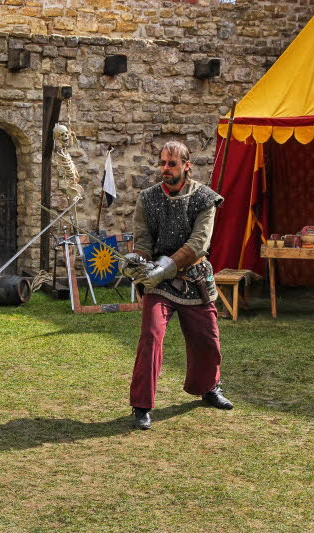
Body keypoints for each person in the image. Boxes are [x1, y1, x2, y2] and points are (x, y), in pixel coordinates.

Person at [120, 140, 233, 430]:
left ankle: (209, 388)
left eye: (172, 163)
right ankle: (141, 405)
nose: (165, 169)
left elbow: (198, 243)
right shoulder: (147, 198)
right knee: (151, 335)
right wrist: (136, 260)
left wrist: (167, 266)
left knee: (207, 340)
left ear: (186, 166)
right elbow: (144, 241)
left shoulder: (205, 198)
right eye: (162, 163)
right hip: (159, 281)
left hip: (194, 277)